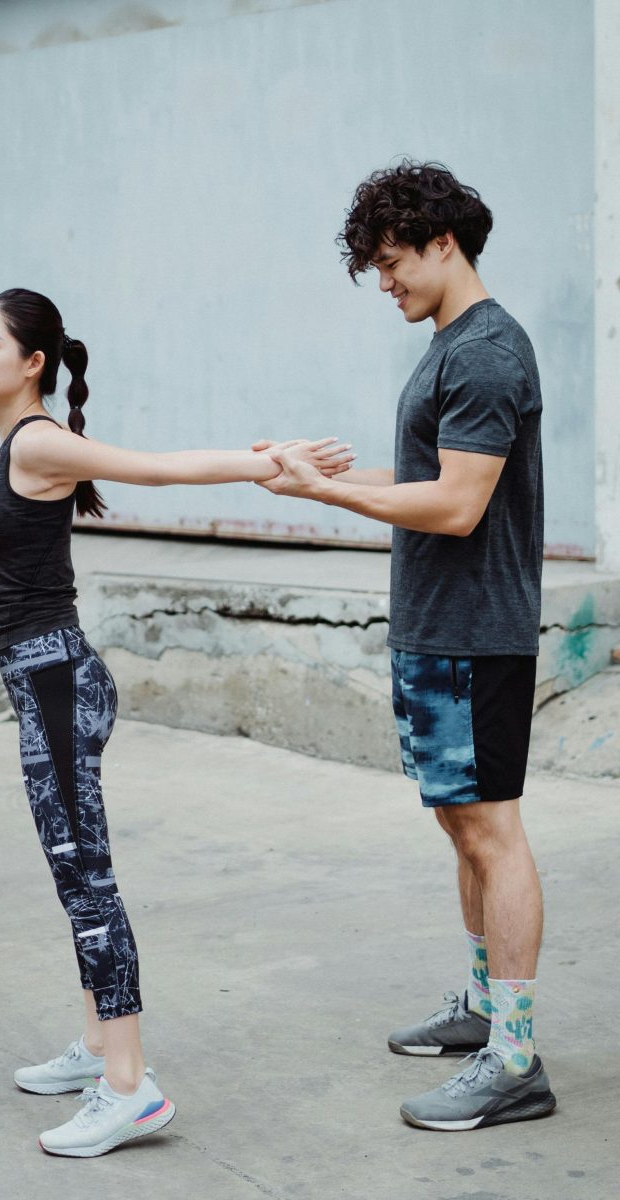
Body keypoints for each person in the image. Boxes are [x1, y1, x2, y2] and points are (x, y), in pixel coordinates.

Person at [0, 287, 350, 1158]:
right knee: (77, 872)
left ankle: (130, 1087)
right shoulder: (19, 442)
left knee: (85, 879)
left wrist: (265, 463)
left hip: (57, 681)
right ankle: (100, 1042)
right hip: (48, 681)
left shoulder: (39, 441)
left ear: (34, 363)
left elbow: (161, 467)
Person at [256, 161, 556, 1131]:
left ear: (442, 244)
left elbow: (456, 505)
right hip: (442, 631)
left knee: (489, 831)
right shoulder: (449, 345)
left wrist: (324, 495)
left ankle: (513, 1057)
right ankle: (481, 1009)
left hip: (474, 636)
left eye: (391, 264)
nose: (382, 283)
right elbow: (435, 472)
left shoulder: (484, 353)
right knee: (459, 826)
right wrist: (328, 467)